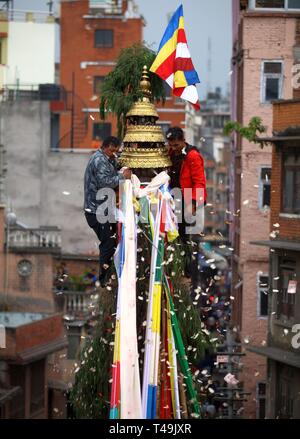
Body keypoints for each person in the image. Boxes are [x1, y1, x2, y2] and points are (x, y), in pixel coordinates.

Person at [84, 136, 131, 287]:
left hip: (104, 210)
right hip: (96, 210)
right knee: (108, 243)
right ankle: (104, 279)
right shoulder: (99, 160)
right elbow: (105, 182)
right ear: (105, 147)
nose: (114, 154)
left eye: (116, 151)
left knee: (112, 241)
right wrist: (122, 176)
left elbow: (117, 165)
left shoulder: (108, 158)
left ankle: (110, 272)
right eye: (112, 151)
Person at [166, 126, 207, 297]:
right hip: (171, 198)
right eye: (171, 145)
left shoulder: (192, 156)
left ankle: (186, 273)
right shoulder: (170, 153)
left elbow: (199, 182)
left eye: (176, 145)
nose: (173, 148)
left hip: (187, 200)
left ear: (183, 141)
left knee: (185, 237)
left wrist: (194, 204)